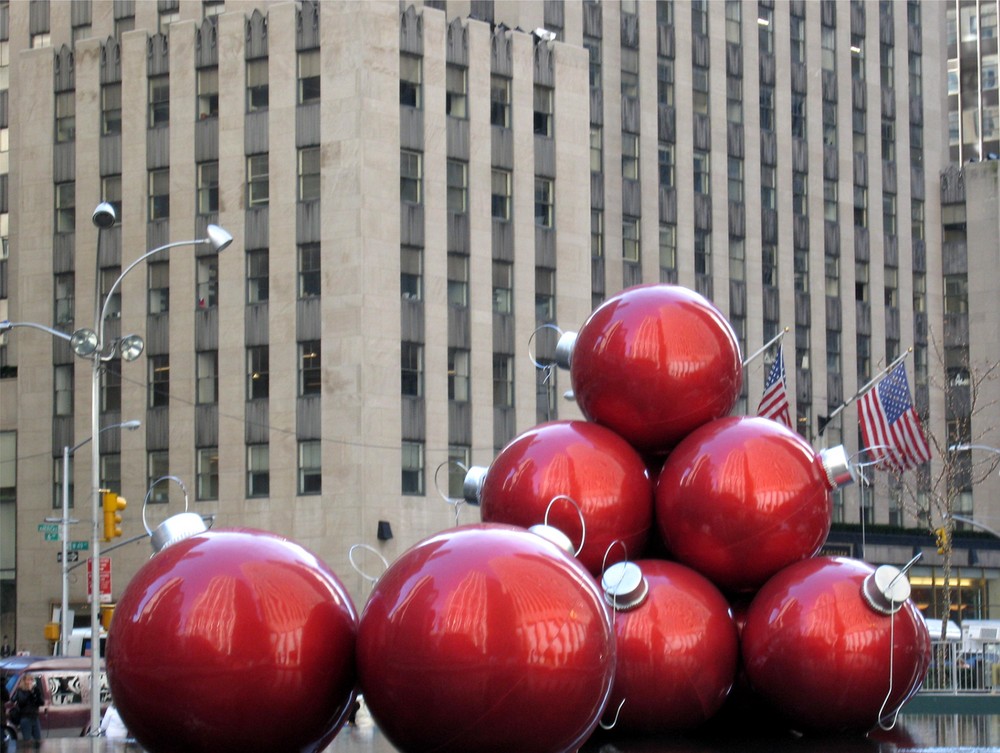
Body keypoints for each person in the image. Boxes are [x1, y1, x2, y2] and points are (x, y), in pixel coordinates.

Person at [11, 674, 43, 746]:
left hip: (34, 716)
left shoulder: (34, 690)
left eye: (31, 680)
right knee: (27, 740)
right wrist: (29, 692)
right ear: (24, 681)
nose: (30, 682)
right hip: (25, 717)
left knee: (38, 739)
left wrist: (37, 694)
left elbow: (41, 702)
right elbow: (22, 701)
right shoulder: (20, 691)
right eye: (28, 680)